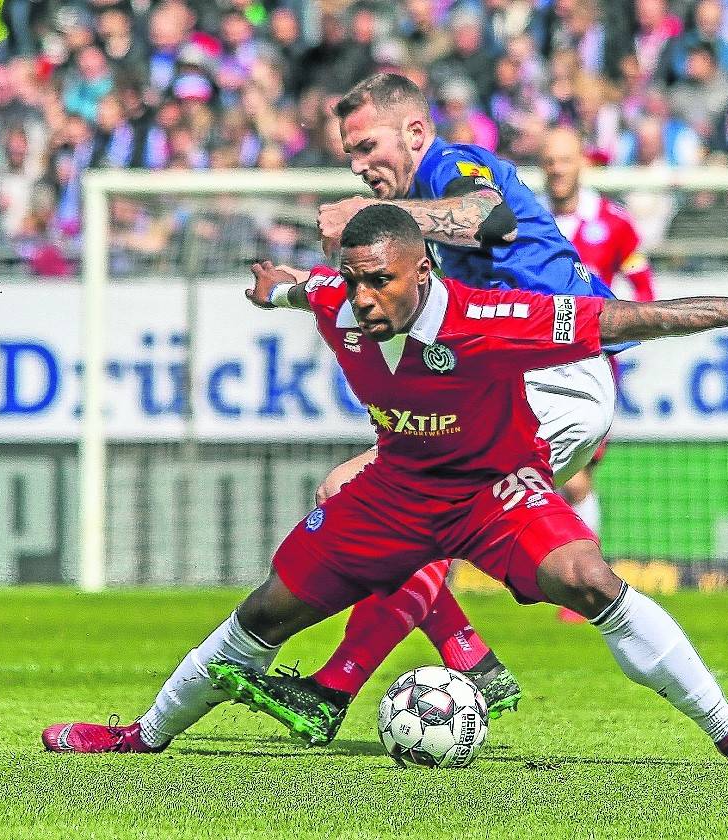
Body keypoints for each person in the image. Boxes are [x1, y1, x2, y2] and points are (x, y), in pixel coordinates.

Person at [43, 203, 728, 764]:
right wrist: (276, 290)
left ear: (421, 270)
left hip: (494, 490)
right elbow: (304, 289)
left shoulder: (491, 321)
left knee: (590, 580)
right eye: (354, 282)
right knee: (266, 611)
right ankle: (140, 736)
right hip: (394, 491)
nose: (364, 299)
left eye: (381, 283)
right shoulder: (339, 300)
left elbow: (627, 319)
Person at [242, 70, 629, 743]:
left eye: (367, 147)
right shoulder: (415, 234)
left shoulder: (449, 164)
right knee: (405, 511)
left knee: (376, 498)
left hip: (554, 375)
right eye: (351, 156)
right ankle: (462, 658)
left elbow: (490, 217)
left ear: (415, 132)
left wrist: (372, 225)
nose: (360, 166)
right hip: (534, 381)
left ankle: (346, 685)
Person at [540, 125, 654, 620]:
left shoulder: (614, 222)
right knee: (545, 472)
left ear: (581, 163)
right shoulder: (527, 220)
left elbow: (643, 287)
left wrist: (619, 332)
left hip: (590, 365)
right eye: (549, 162)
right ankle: (568, 569)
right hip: (534, 358)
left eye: (564, 161)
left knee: (577, 479)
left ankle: (585, 570)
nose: (556, 171)